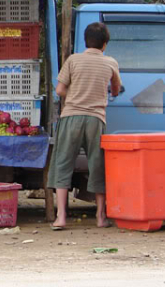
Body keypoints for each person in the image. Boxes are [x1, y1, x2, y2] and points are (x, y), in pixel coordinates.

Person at [48, 22, 121, 230]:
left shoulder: (73, 60)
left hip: (71, 116)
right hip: (95, 119)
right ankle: (100, 217)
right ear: (105, 44)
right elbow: (115, 91)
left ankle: (61, 217)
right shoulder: (111, 63)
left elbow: (60, 90)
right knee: (97, 166)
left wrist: (76, 95)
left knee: (63, 163)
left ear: (85, 41)